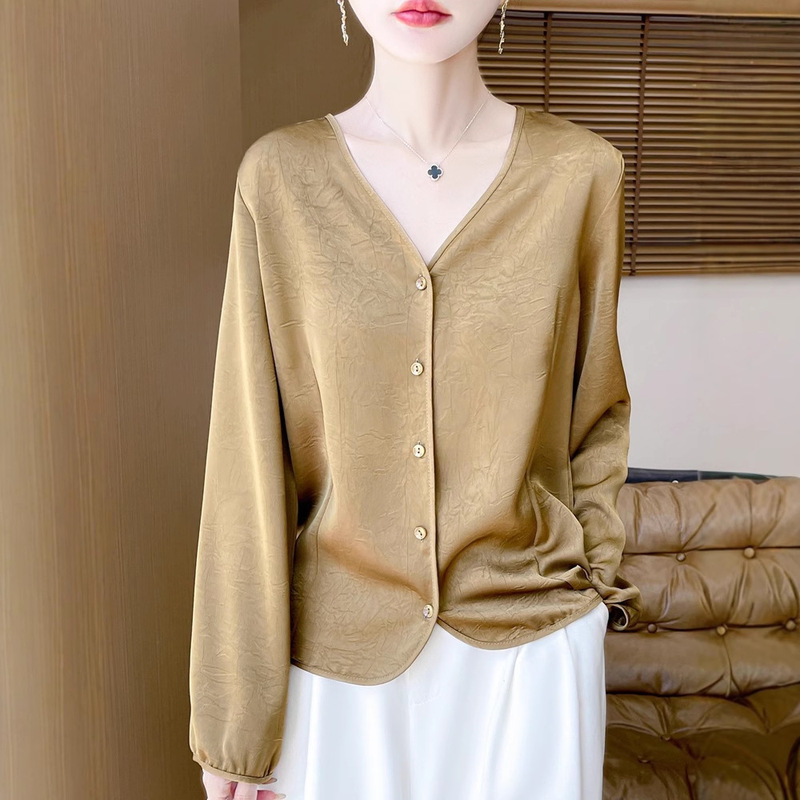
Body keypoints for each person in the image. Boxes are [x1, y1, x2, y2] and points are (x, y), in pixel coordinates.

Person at [189, 1, 643, 798]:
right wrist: (237, 723)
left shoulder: (580, 174)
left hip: (533, 663)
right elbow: (247, 455)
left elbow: (595, 411)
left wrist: (591, 596)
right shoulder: (281, 179)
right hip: (339, 674)